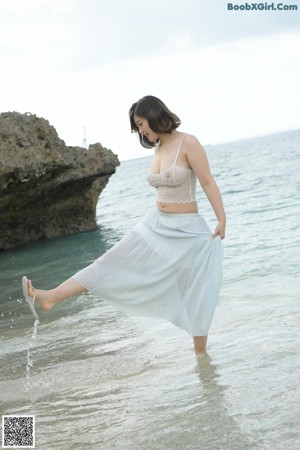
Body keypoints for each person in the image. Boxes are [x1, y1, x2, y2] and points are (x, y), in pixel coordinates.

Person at [22, 95, 226, 355]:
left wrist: (221, 219)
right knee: (109, 262)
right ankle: (52, 297)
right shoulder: (159, 147)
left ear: (154, 115)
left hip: (187, 232)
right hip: (157, 225)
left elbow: (207, 182)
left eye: (141, 124)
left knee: (196, 294)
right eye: (137, 127)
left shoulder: (188, 143)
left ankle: (201, 357)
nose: (140, 130)